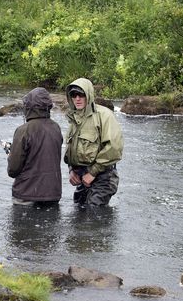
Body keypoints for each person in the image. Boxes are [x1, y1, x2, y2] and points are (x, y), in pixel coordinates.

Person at [64, 78, 124, 207]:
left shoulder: (104, 116)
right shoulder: (74, 118)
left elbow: (114, 148)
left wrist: (92, 173)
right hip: (81, 176)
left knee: (93, 217)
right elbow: (70, 149)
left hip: (103, 176)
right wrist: (71, 170)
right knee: (78, 212)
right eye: (74, 95)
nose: (78, 99)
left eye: (82, 95)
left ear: (89, 95)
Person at [7, 87, 63, 206]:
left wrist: (10, 155)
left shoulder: (23, 130)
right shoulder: (56, 128)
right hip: (53, 195)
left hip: (26, 195)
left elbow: (13, 170)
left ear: (29, 107)